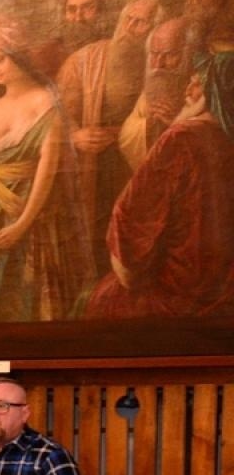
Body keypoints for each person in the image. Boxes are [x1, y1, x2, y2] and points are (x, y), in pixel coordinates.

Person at [0, 16, 93, 322]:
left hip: (34, 218)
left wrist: (21, 225)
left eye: (0, 59)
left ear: (17, 54)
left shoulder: (45, 101)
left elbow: (47, 173)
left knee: (30, 300)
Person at [87, 57, 234, 318]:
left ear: (217, 92)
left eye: (198, 85)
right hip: (224, 298)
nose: (187, 91)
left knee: (102, 302)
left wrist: (178, 123)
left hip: (177, 298)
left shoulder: (181, 139)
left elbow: (129, 236)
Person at [58, 0, 162, 271]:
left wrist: (126, 132)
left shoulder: (163, 65)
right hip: (94, 170)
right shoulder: (82, 61)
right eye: (128, 19)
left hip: (140, 169)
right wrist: (74, 137)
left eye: (141, 22)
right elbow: (55, 118)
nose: (130, 27)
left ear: (156, 28)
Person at [118, 16, 197, 170]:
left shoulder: (201, 85)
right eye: (154, 54)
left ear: (189, 54)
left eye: (169, 55)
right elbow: (126, 134)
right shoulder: (155, 86)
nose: (158, 64)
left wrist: (178, 122)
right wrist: (148, 125)